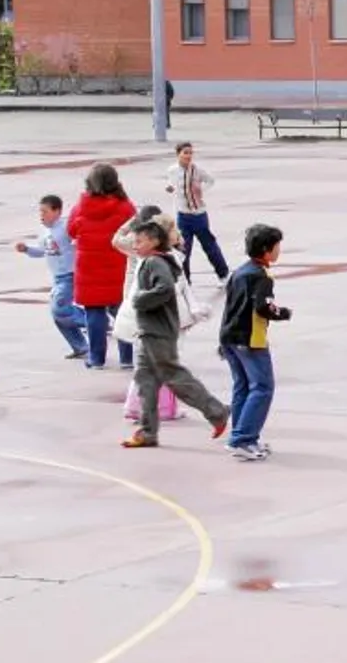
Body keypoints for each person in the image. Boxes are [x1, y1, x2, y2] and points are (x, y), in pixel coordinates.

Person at [120, 221, 230, 449]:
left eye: (139, 241)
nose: (135, 245)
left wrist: (140, 300)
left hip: (158, 333)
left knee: (174, 377)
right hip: (148, 332)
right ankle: (148, 431)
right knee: (145, 381)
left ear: (154, 242)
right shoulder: (150, 261)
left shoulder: (155, 262)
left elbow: (164, 289)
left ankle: (216, 411)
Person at [220, 223, 292, 461]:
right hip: (250, 339)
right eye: (277, 246)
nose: (279, 250)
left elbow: (229, 306)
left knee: (242, 386)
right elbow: (263, 307)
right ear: (265, 249)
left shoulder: (239, 273)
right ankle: (242, 438)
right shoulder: (262, 276)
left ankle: (244, 435)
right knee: (262, 388)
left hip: (230, 337)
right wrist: (281, 313)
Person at [69, 163, 138, 369]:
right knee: (121, 311)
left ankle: (97, 358)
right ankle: (127, 358)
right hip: (118, 263)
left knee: (94, 313)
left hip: (89, 266)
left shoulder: (81, 206)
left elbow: (71, 230)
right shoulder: (125, 206)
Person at [17, 194, 87, 358]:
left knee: (59, 309)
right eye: (40, 212)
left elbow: (80, 240)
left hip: (70, 275)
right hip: (58, 278)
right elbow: (42, 252)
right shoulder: (44, 233)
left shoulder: (65, 228)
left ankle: (94, 322)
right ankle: (80, 345)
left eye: (45, 211)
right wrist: (26, 249)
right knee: (57, 315)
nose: (42, 215)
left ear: (57, 211)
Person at [165, 141, 229, 283]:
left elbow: (210, 181)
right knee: (183, 249)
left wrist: (201, 191)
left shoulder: (197, 170)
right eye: (185, 152)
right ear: (178, 154)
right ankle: (185, 280)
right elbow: (171, 183)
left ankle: (223, 274)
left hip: (198, 215)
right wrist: (169, 187)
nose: (188, 156)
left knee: (209, 245)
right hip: (182, 215)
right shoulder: (172, 170)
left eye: (190, 153)